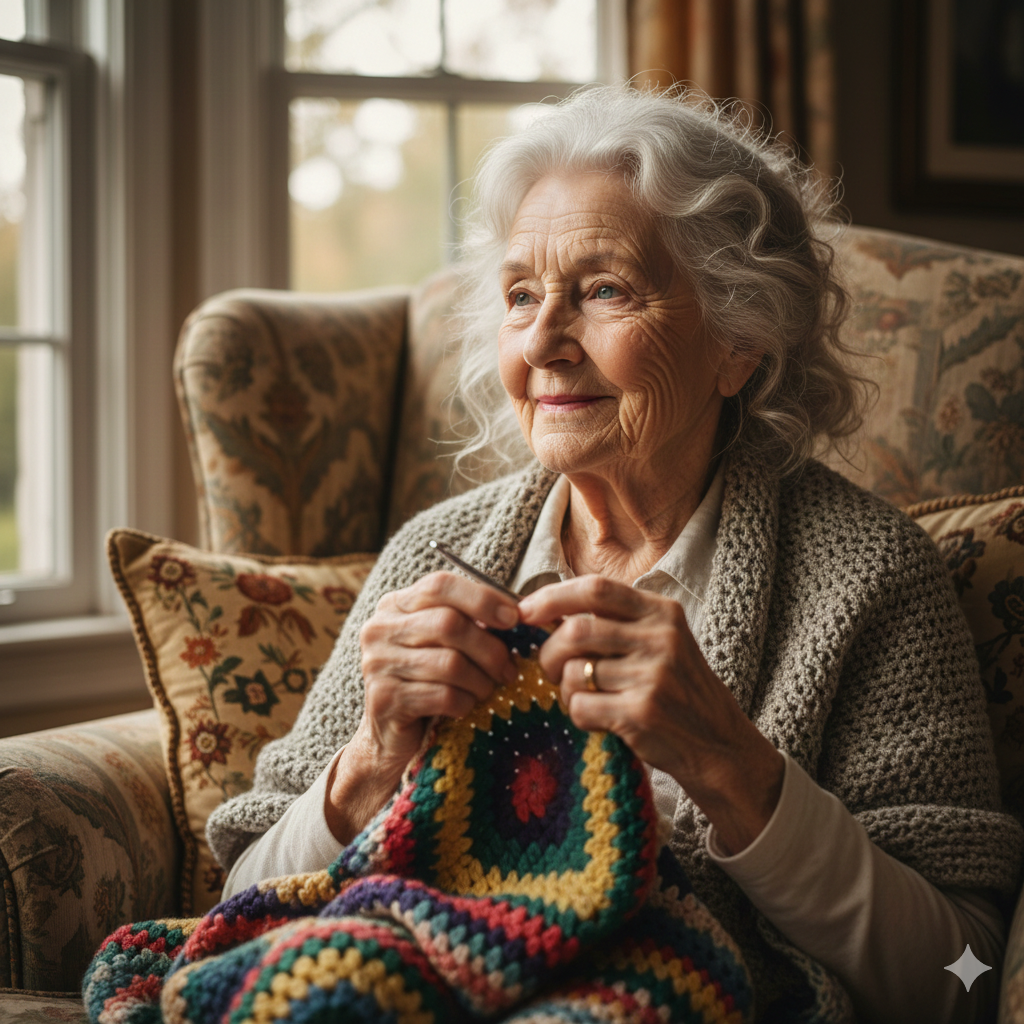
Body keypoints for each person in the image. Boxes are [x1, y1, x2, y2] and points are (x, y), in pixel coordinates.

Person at [207, 86, 1022, 1023]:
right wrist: (369, 761)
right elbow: (240, 913)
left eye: (603, 290)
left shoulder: (868, 579)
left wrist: (732, 768)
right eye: (521, 297)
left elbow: (964, 977)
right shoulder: (434, 555)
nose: (545, 343)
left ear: (740, 342)